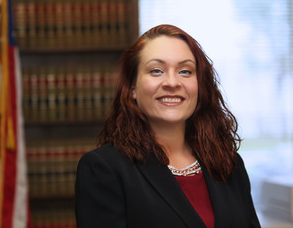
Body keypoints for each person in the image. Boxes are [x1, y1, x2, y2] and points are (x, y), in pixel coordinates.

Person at [75, 24, 261, 228]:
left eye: (185, 71)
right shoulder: (103, 169)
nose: (172, 82)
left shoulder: (229, 163)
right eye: (156, 71)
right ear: (132, 88)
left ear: (200, 86)